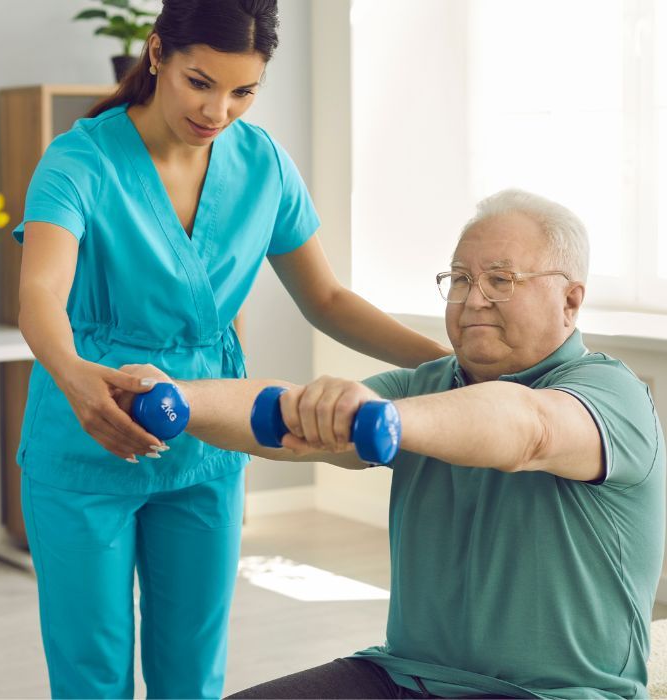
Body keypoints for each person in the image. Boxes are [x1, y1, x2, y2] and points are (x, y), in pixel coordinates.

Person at [14, 0, 449, 696]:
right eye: (200, 81)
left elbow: (328, 299)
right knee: (91, 672)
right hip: (88, 434)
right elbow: (40, 296)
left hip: (211, 434)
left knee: (192, 669)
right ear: (157, 55)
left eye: (243, 91)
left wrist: (444, 368)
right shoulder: (80, 161)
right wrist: (72, 377)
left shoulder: (262, 164)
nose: (218, 110)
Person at [119, 189, 666, 699]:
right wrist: (180, 399)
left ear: (570, 301)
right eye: (459, 279)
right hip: (405, 677)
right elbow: (291, 423)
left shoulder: (610, 394)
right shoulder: (427, 384)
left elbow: (527, 429)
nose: (473, 299)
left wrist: (383, 420)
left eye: (501, 280)